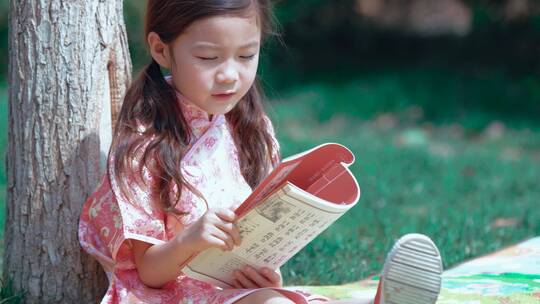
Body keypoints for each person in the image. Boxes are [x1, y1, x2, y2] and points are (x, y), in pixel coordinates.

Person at [78, 1, 443, 303]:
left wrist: (263, 269)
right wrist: (190, 240)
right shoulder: (146, 144)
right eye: (208, 58)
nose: (229, 75)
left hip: (239, 292)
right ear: (161, 50)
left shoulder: (251, 130)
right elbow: (149, 273)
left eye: (246, 55)